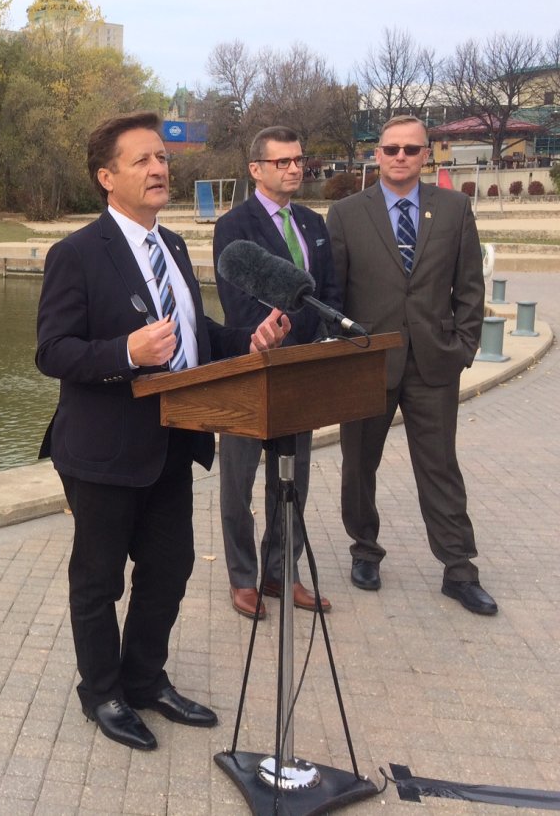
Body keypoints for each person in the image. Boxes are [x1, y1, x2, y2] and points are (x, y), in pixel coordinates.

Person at [36, 111, 290, 751]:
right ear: (106, 177)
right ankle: (102, 694)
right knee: (98, 578)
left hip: (175, 439)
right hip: (101, 450)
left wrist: (248, 339)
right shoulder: (77, 253)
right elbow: (53, 352)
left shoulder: (172, 244)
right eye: (143, 160)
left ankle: (145, 680)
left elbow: (194, 334)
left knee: (170, 568)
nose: (158, 170)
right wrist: (125, 351)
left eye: (163, 160)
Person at [326, 115, 496, 616]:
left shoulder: (454, 209)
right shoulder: (346, 214)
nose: (400, 157)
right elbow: (333, 293)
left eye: (411, 149)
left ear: (427, 156)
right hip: (368, 362)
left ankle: (459, 569)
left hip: (433, 363)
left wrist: (464, 346)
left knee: (440, 467)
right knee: (359, 465)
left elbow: (469, 287)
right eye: (391, 149)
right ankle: (365, 551)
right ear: (376, 154)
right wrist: (342, 351)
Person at [212, 127, 341, 621]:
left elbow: (329, 292)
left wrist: (317, 342)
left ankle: (281, 572)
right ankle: (243, 578)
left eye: (298, 160)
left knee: (293, 480)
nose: (294, 168)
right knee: (238, 483)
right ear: (256, 170)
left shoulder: (313, 223)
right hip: (251, 368)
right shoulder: (234, 226)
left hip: (300, 372)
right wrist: (273, 336)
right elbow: (239, 303)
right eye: (283, 161)